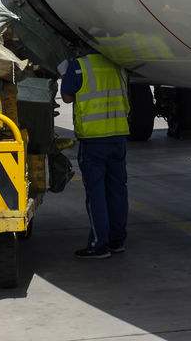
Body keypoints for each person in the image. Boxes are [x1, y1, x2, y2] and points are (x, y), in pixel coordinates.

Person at [59, 52, 130, 259]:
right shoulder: (119, 63)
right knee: (118, 191)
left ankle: (99, 245)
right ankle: (117, 241)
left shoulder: (78, 66)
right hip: (118, 137)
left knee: (96, 194)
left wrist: (65, 74)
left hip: (94, 140)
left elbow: (66, 97)